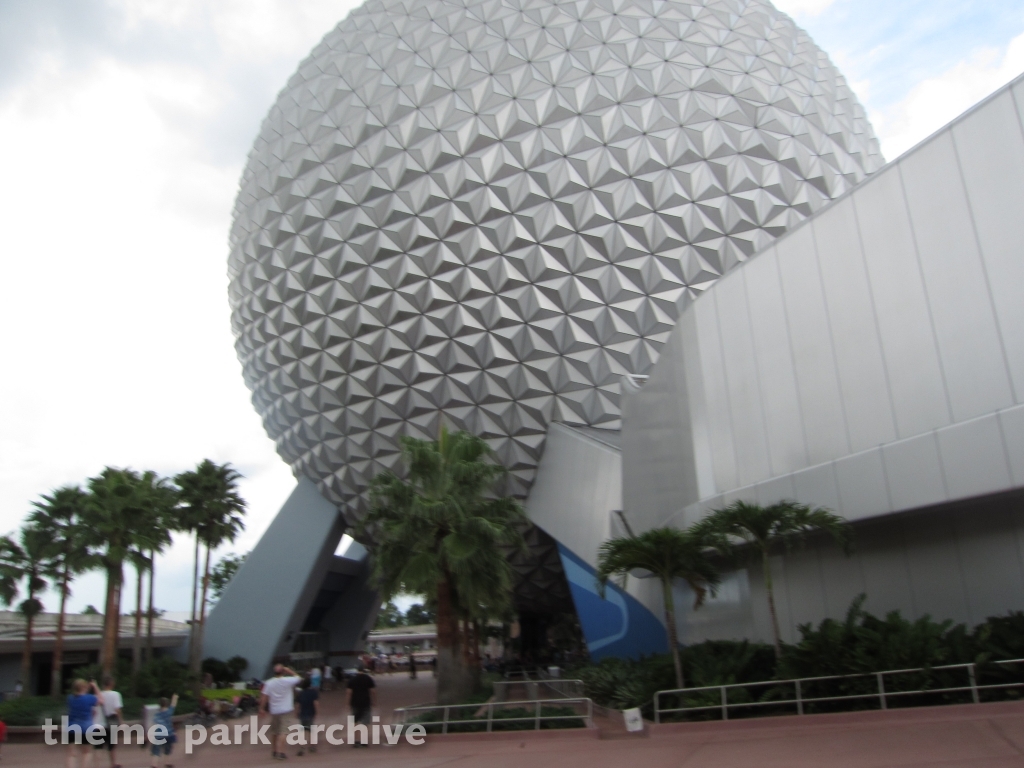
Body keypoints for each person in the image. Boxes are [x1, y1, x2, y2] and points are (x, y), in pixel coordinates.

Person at [260, 664, 302, 760]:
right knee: (283, 731)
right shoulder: (287, 680)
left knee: (274, 732)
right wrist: (289, 670)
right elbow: (299, 678)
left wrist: (262, 708)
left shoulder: (269, 683)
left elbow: (264, 697)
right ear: (282, 672)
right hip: (286, 709)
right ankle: (281, 752)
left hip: (274, 710)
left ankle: (274, 750)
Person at [66, 678, 104, 768]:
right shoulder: (89, 698)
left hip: (71, 727)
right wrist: (95, 686)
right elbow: (101, 700)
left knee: (71, 754)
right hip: (86, 728)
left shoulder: (70, 698)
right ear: (83, 687)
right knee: (86, 752)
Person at [93, 676, 123, 768]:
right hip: (112, 724)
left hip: (98, 724)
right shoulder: (116, 694)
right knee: (111, 745)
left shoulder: (96, 696)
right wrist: (121, 721)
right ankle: (113, 763)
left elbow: (93, 711)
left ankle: (97, 765)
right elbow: (117, 709)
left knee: (98, 747)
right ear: (112, 684)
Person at [347, 663, 376, 748]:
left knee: (355, 722)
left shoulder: (352, 679)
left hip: (355, 703)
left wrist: (347, 703)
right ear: (364, 670)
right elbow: (373, 691)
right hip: (366, 703)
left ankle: (356, 741)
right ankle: (364, 741)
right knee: (365, 722)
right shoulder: (368, 679)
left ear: (357, 670)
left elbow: (349, 692)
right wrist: (374, 701)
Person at [150, 694, 177, 768]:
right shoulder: (169, 712)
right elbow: (173, 704)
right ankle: (167, 762)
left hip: (159, 734)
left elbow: (153, 723)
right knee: (168, 749)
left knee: (156, 750)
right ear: (166, 704)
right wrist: (175, 697)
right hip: (169, 734)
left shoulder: (157, 714)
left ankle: (154, 764)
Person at [294, 678, 319, 756]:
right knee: (311, 730)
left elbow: (298, 705)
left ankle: (302, 747)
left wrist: (296, 712)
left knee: (302, 731)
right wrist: (316, 712)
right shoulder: (313, 692)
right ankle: (312, 746)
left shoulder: (301, 693)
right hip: (310, 713)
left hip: (302, 714)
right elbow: (316, 703)